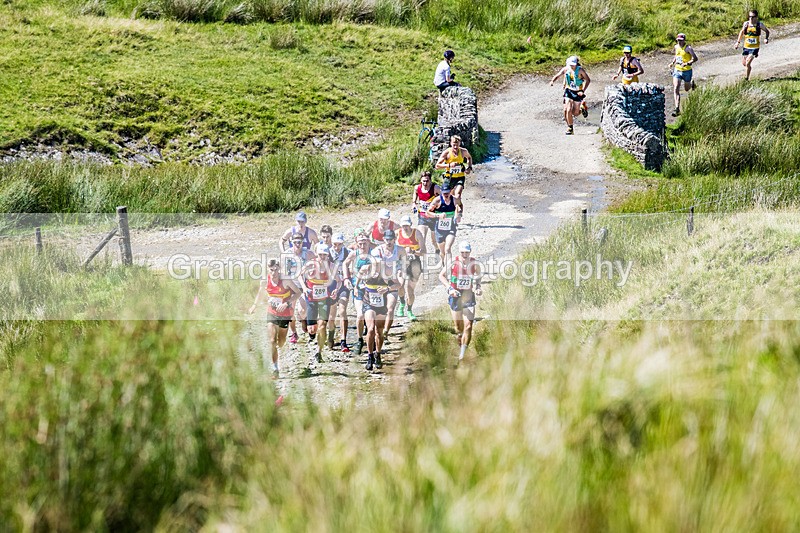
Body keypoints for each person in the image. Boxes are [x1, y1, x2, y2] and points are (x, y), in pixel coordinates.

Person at [248, 259, 302, 377]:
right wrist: (254, 305)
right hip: (272, 312)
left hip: (285, 313)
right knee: (272, 341)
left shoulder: (286, 280)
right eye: (271, 270)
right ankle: (275, 368)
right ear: (268, 270)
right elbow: (260, 293)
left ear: (279, 269)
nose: (274, 272)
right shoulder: (264, 281)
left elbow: (298, 293)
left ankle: (279, 350)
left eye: (276, 269)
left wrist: (287, 303)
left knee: (280, 342)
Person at [438, 241, 482, 361]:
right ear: (459, 252)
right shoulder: (453, 262)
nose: (464, 255)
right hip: (455, 295)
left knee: (468, 325)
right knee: (459, 328)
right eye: (462, 253)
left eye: (466, 253)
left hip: (468, 295)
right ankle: (460, 344)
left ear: (470, 252)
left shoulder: (474, 263)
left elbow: (478, 275)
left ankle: (463, 354)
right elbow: (441, 276)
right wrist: (449, 288)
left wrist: (478, 287)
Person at [300, 243, 336, 364]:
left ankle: (319, 352)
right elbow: (300, 275)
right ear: (317, 255)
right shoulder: (311, 264)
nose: (322, 257)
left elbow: (339, 281)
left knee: (322, 326)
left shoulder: (331, 266)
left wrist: (336, 289)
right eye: (320, 255)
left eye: (324, 255)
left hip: (324, 299)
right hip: (311, 298)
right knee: (312, 329)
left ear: (327, 255)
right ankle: (307, 325)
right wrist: (304, 288)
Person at [371, 229, 406, 342]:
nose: (389, 242)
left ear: (394, 239)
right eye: (386, 239)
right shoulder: (378, 250)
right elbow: (376, 266)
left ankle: (385, 331)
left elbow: (404, 266)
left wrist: (401, 272)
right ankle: (374, 329)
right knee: (378, 309)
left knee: (390, 309)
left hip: (393, 281)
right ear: (383, 239)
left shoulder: (400, 250)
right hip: (380, 281)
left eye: (391, 239)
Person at [357, 255, 391, 371]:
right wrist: (356, 287)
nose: (376, 268)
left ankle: (378, 353)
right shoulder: (365, 269)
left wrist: (388, 289)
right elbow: (357, 277)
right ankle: (370, 356)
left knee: (379, 332)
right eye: (375, 265)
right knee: (370, 329)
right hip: (368, 304)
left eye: (379, 265)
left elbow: (398, 283)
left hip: (381, 306)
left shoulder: (387, 272)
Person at [346, 231, 373, 356]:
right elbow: (344, 264)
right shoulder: (354, 254)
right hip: (359, 288)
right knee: (360, 314)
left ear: (368, 242)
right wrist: (346, 278)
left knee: (371, 316)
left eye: (364, 243)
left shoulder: (373, 252)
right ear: (356, 244)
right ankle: (359, 340)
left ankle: (370, 336)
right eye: (360, 243)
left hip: (372, 288)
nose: (362, 246)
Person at [283, 232, 313, 344]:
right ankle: (294, 333)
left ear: (302, 242)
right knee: (290, 311)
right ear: (291, 242)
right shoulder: (287, 254)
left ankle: (303, 319)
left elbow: (317, 262)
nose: (297, 244)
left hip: (303, 285)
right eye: (295, 242)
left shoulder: (307, 253)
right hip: (291, 286)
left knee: (303, 311)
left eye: (299, 242)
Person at [550, 55, 591, 135]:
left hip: (578, 92)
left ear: (576, 64)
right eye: (571, 64)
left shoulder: (580, 70)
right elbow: (558, 75)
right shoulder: (566, 69)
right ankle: (570, 127)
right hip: (568, 91)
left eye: (573, 64)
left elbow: (588, 80)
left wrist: (582, 90)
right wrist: (552, 81)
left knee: (575, 113)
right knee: (567, 109)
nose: (572, 66)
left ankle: (583, 108)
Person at [327, 232, 353, 352]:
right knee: (331, 315)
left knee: (342, 311)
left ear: (343, 243)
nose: (336, 247)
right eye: (334, 244)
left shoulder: (347, 253)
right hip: (331, 285)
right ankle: (331, 335)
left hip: (343, 284)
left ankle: (343, 341)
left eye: (339, 244)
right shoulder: (327, 253)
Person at [396, 215, 425, 320]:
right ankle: (402, 303)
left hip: (414, 263)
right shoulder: (397, 233)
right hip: (401, 262)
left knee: (410, 289)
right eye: (403, 226)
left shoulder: (417, 233)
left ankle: (409, 310)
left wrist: (413, 252)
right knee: (400, 285)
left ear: (410, 225)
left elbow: (424, 252)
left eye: (407, 226)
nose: (405, 228)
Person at [427, 182, 462, 265]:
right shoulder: (437, 201)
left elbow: (460, 206)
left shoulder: (454, 199)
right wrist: (437, 215)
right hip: (439, 229)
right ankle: (443, 263)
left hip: (451, 228)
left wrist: (459, 215)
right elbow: (427, 213)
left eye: (447, 192)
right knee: (442, 252)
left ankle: (448, 269)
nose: (446, 195)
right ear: (441, 192)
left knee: (447, 249)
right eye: (444, 193)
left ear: (450, 191)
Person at [434, 135, 473, 201]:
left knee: (458, 194)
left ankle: (459, 209)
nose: (455, 147)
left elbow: (469, 157)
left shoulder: (463, 151)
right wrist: (449, 165)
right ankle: (452, 209)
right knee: (449, 196)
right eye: (454, 145)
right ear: (450, 143)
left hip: (460, 177)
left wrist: (469, 167)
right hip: (449, 177)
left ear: (459, 144)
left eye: (457, 145)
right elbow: (437, 166)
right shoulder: (447, 152)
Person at [734, 10, 770, 81]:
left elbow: (767, 31)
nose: (751, 18)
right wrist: (737, 42)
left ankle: (746, 79)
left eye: (753, 17)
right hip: (746, 47)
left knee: (747, 63)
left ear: (756, 17)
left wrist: (766, 38)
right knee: (744, 63)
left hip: (755, 47)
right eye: (749, 16)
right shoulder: (746, 24)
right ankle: (752, 59)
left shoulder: (760, 25)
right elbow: (741, 32)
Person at [669, 33, 698, 117]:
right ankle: (677, 108)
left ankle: (692, 84)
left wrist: (687, 63)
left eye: (681, 41)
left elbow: (695, 58)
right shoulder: (676, 47)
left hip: (687, 71)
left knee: (686, 89)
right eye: (678, 40)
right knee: (676, 88)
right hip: (677, 70)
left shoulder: (688, 48)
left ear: (684, 40)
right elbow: (676, 55)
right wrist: (672, 62)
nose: (679, 42)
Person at [412, 171, 440, 255]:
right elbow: (415, 194)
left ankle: (437, 249)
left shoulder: (435, 188)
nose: (425, 183)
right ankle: (422, 257)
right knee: (421, 238)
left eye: (427, 181)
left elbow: (444, 197)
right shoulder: (417, 187)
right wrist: (414, 203)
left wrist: (437, 204)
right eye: (423, 181)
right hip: (422, 216)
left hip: (433, 217)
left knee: (434, 241)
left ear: (430, 180)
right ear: (420, 180)